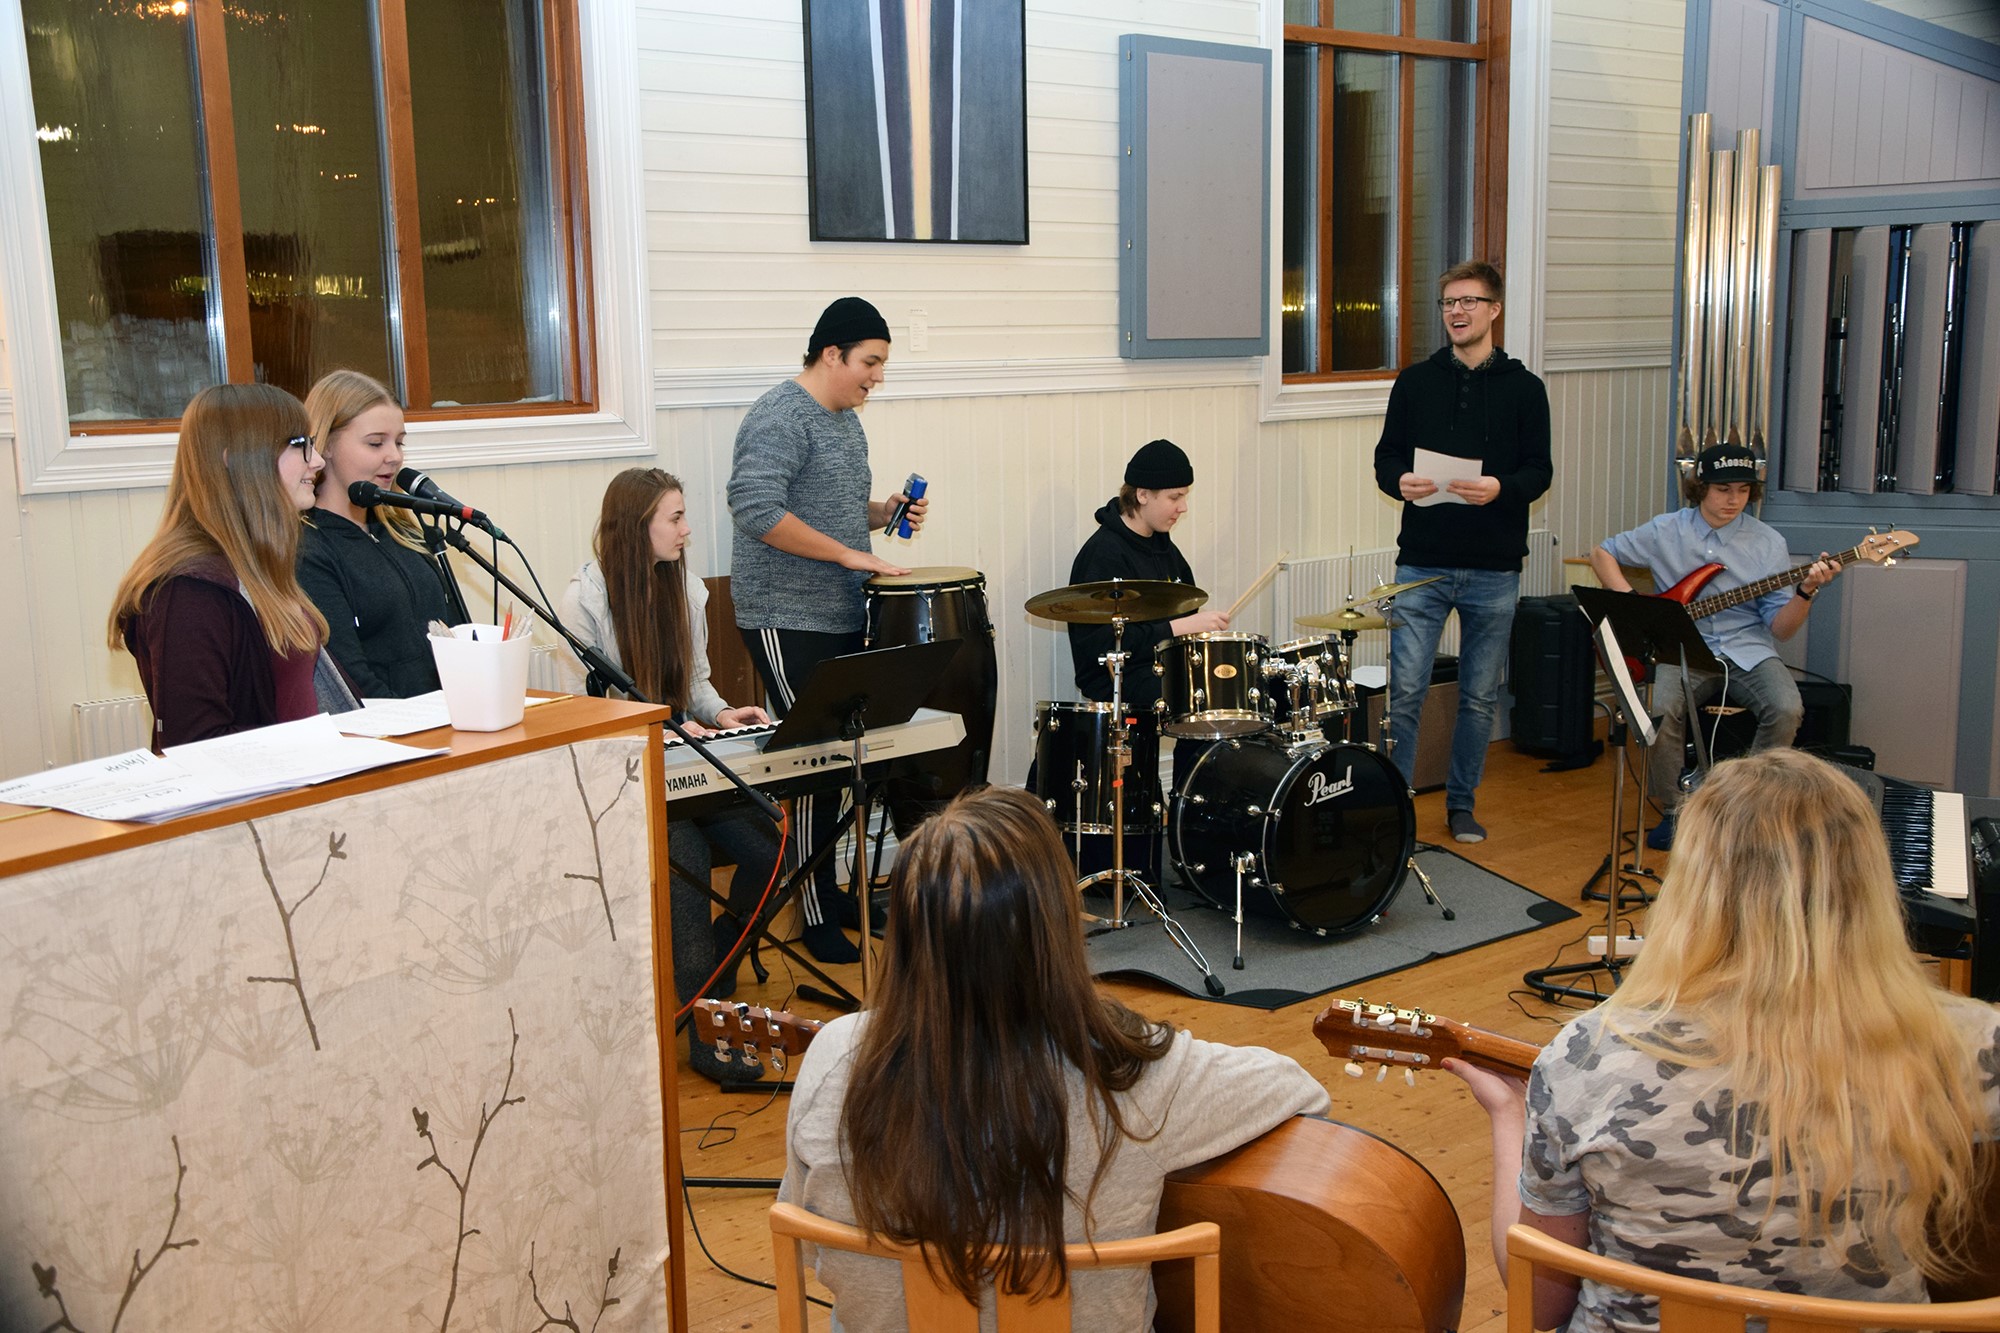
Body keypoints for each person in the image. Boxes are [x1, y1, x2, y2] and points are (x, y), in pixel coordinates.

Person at [1447, 748, 2000, 1333]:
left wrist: (1510, 1110)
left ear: (1690, 885)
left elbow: (1538, 1300)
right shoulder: (1976, 1047)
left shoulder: (1585, 1058)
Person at [779, 785, 1328, 1329]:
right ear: (1057, 930)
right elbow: (1300, 1089)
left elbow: (812, 1248)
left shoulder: (835, 1057)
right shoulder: (1139, 1079)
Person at [561, 467, 783, 1083]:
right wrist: (659, 729)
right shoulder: (582, 605)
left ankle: (713, 978)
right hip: (626, 782)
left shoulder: (686, 591)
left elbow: (696, 684)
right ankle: (708, 1035)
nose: (687, 530)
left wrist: (720, 712)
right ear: (638, 528)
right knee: (683, 864)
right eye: (676, 518)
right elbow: (583, 719)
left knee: (772, 847)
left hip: (687, 767)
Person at [726, 296, 926, 964]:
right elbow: (755, 508)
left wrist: (880, 513)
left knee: (838, 760)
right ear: (832, 353)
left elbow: (831, 512)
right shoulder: (780, 415)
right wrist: (847, 553)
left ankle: (827, 891)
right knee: (810, 759)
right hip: (785, 611)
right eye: (870, 362)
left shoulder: (845, 422)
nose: (877, 376)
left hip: (838, 607)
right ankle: (812, 911)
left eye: (883, 365)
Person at [1373, 260, 1552, 844]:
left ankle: (1461, 804)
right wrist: (1400, 481)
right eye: (1449, 302)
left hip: (1493, 567)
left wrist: (1502, 488)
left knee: (1477, 698)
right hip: (1421, 562)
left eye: (1469, 301)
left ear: (1494, 310)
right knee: (1405, 694)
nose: (1457, 311)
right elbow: (1386, 458)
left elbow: (1539, 470)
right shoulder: (1415, 382)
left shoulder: (1526, 389)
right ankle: (1397, 808)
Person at [1588, 442, 1841, 850]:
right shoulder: (1666, 529)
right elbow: (1602, 553)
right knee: (1656, 710)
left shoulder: (1768, 542)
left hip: (1746, 647)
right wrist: (1632, 606)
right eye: (1723, 490)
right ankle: (1677, 810)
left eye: (1743, 490)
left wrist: (1806, 592)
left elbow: (1781, 629)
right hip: (1681, 647)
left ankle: (1750, 804)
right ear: (1700, 488)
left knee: (1787, 707)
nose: (1733, 500)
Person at [108, 383, 357, 749]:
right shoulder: (187, 590)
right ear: (236, 458)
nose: (317, 461)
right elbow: (195, 744)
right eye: (300, 444)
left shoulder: (255, 566)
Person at [1061, 439, 1229, 876]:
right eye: (1175, 497)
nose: (1182, 507)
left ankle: (1206, 844)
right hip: (1118, 679)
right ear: (1142, 495)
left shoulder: (1165, 549)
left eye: (1184, 496)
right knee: (1202, 711)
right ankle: (1194, 848)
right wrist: (1179, 628)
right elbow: (1102, 648)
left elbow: (1184, 612)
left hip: (1159, 669)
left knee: (1227, 700)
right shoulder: (1103, 554)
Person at [296, 370, 456, 697]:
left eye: (399, 442)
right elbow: (351, 678)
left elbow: (450, 640)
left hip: (447, 717)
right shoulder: (308, 549)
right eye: (375, 443)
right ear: (324, 445)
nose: (394, 456)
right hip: (392, 733)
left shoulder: (402, 531)